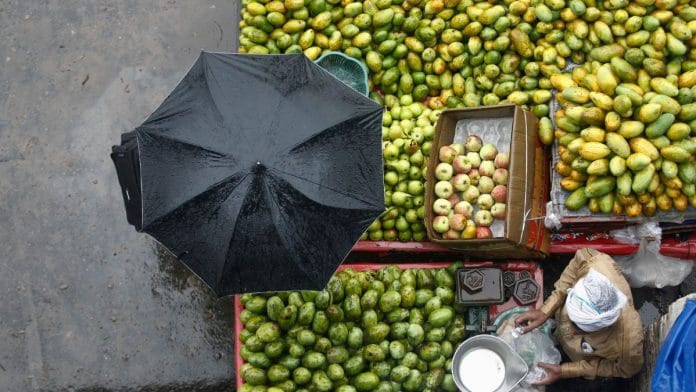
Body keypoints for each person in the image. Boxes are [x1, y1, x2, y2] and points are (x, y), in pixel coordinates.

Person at [515, 248, 644, 385]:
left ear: (603, 326)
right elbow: (579, 258)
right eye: (571, 319)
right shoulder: (596, 264)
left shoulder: (628, 345)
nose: (571, 330)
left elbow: (626, 370)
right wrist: (546, 310)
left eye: (580, 328)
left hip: (580, 357)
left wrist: (567, 370)